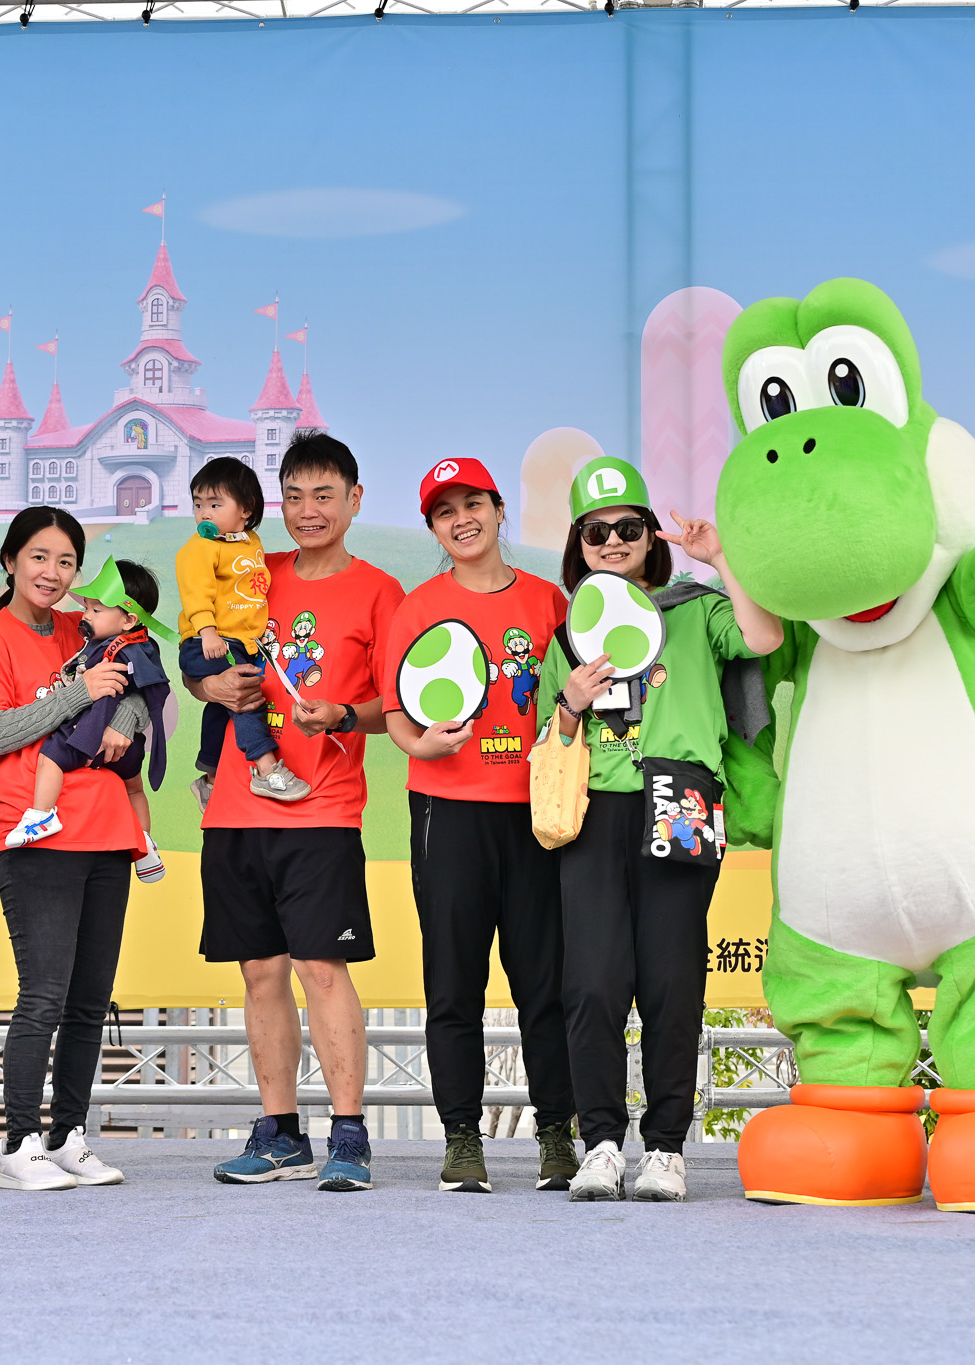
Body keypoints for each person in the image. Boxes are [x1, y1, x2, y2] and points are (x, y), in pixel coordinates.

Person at [538, 456, 782, 1203]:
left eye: (628, 527)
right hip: (595, 810)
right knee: (592, 983)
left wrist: (721, 560)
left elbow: (763, 637)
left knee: (673, 982)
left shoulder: (697, 609)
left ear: (650, 536)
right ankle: (601, 1144)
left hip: (682, 796)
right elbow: (551, 740)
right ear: (578, 545)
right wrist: (571, 703)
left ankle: (668, 1148)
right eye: (596, 531)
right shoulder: (567, 633)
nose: (613, 541)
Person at [187, 434, 404, 1193]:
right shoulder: (251, 567)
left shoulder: (380, 592)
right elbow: (200, 658)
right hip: (235, 807)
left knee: (320, 966)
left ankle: (349, 1134)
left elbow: (395, 708)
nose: (309, 510)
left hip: (322, 808)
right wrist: (210, 689)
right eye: (295, 496)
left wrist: (342, 713)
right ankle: (280, 1132)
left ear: (354, 500)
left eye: (324, 495)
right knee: (258, 971)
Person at [381, 457, 577, 1195]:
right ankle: (462, 1138)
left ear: (498, 510)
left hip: (536, 816)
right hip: (448, 812)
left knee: (544, 984)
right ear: (434, 528)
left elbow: (577, 697)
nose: (461, 520)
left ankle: (557, 1135)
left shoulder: (548, 601)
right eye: (445, 511)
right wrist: (419, 745)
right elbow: (396, 712)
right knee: (454, 984)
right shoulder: (418, 606)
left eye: (473, 504)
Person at [0, 507, 150, 1192]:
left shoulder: (88, 628)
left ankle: (68, 1136)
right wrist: (77, 694)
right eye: (39, 557)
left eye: (66, 561)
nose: (52, 572)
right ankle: (18, 1146)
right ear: (11, 561)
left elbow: (141, 680)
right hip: (35, 839)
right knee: (43, 995)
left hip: (109, 836)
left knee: (89, 1002)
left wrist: (122, 717)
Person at [5, 557, 174, 889]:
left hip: (91, 736)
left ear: (128, 619)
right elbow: (154, 687)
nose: (86, 615)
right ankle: (145, 843)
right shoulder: (143, 645)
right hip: (128, 747)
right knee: (135, 788)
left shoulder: (111, 650)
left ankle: (41, 815)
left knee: (50, 756)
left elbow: (113, 695)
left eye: (96, 610)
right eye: (87, 608)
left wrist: (96, 730)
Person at [174, 455, 307, 805]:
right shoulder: (200, 547)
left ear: (246, 509)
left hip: (238, 641)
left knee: (222, 706)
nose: (204, 513)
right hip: (208, 640)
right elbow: (195, 593)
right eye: (198, 504)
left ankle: (209, 778)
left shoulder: (249, 542)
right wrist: (208, 632)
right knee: (245, 696)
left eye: (215, 504)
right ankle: (266, 769)